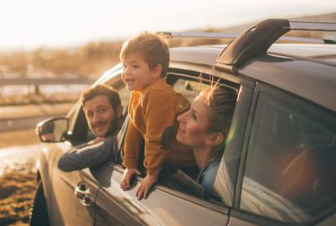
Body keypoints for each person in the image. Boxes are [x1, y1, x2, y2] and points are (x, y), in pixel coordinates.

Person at [119, 31, 195, 200]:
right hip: (169, 162)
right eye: (124, 66)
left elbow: (156, 138)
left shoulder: (157, 95)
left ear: (155, 70)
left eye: (135, 66)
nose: (126, 72)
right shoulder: (139, 93)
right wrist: (130, 164)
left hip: (185, 165)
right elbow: (134, 128)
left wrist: (151, 174)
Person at [176, 85, 237, 194]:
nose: (180, 118)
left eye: (194, 116)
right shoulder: (214, 170)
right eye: (189, 109)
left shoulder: (212, 181)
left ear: (213, 138)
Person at [57, 84, 123, 172]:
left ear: (119, 111)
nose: (95, 120)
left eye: (102, 110)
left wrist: (92, 143)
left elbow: (64, 162)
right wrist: (95, 142)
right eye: (90, 114)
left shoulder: (116, 142)